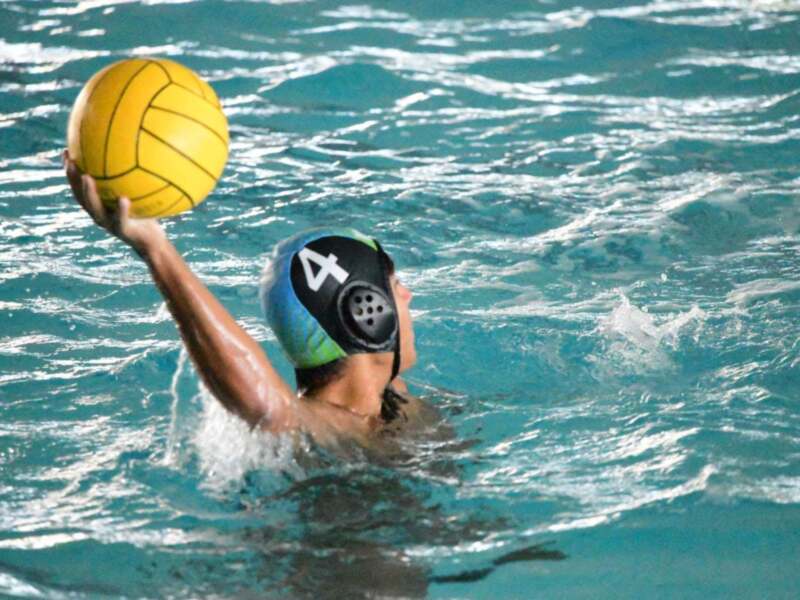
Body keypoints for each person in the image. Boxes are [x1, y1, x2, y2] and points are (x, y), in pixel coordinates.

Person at [64, 152, 423, 449]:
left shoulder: (393, 400)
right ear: (366, 313)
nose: (407, 294)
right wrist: (155, 249)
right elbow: (266, 406)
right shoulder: (324, 430)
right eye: (394, 284)